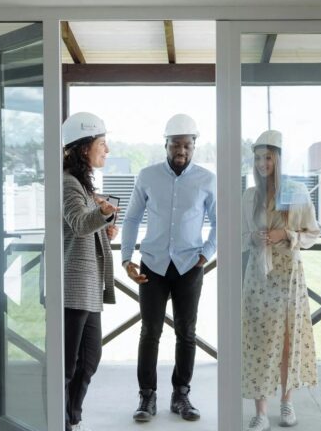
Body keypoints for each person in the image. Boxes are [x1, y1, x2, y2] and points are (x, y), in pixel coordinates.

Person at [121, 113, 217, 423]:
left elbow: (220, 222)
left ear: (194, 146)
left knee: (186, 332)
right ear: (166, 144)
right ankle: (147, 397)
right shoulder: (147, 176)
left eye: (187, 145)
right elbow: (132, 218)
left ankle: (181, 395)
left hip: (190, 265)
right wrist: (126, 258)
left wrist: (206, 254)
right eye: (176, 144)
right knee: (150, 331)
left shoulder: (207, 179)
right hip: (153, 265)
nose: (182, 150)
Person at [241, 130, 320, 431]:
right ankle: (260, 410)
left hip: (288, 274)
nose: (262, 163)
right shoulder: (249, 195)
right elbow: (239, 234)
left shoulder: (296, 192)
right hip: (259, 275)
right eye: (258, 158)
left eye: (268, 157)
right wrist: (254, 238)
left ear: (279, 158)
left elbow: (313, 233)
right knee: (259, 340)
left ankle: (287, 404)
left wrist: (285, 235)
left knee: (288, 340)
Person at [61, 112, 119, 431]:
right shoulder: (69, 182)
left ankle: (73, 417)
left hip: (87, 287)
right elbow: (80, 223)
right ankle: (64, 420)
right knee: (69, 364)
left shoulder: (82, 183)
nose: (106, 150)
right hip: (74, 286)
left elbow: (87, 224)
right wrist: (101, 214)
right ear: (85, 148)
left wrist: (105, 224)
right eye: (102, 143)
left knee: (89, 359)